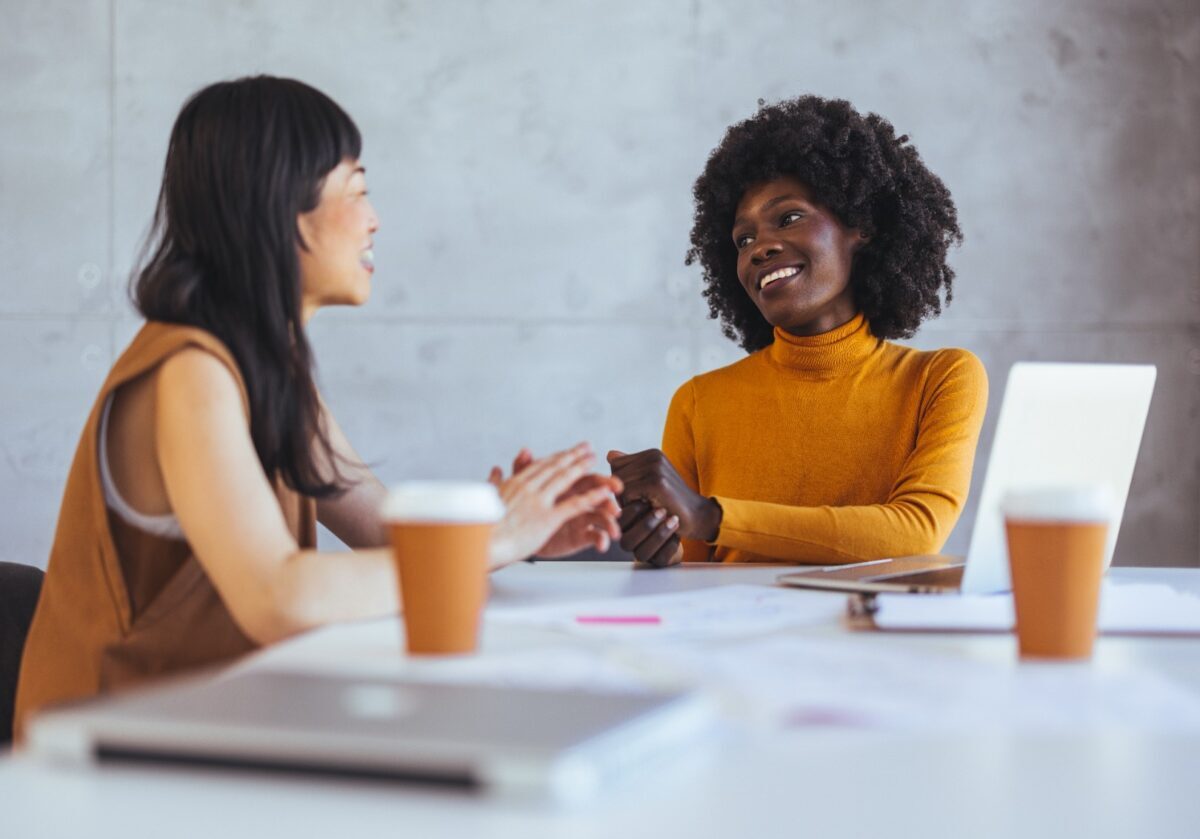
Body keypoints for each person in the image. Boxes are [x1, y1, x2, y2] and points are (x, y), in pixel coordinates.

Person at [14, 76, 620, 735]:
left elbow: (385, 533)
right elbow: (280, 597)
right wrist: (490, 541)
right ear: (283, 210)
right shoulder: (188, 371)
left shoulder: (267, 366)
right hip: (105, 767)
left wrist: (510, 530)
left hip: (205, 734)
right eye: (357, 191)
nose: (375, 218)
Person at [608, 95, 988, 567]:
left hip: (866, 637)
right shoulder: (698, 403)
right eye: (743, 240)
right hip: (732, 637)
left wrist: (711, 516)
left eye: (788, 218)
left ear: (860, 227)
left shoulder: (940, 378)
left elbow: (915, 534)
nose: (760, 248)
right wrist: (657, 545)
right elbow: (688, 572)